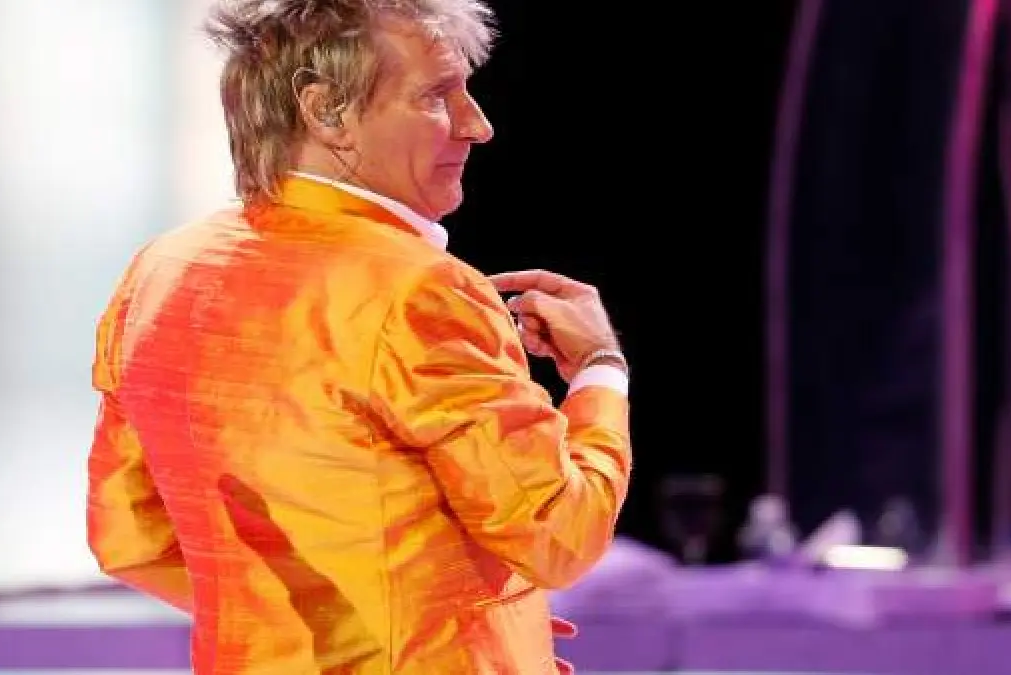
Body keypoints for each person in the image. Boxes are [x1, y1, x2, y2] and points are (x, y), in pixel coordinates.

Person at [84, 0, 633, 673]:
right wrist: (600, 368)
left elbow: (131, 541)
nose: (478, 125)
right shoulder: (420, 288)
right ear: (327, 111)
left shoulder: (161, 272)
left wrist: (446, 611)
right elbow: (559, 535)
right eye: (437, 94)